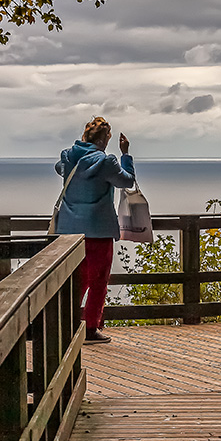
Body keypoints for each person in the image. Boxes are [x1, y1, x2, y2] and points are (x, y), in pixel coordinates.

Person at [54, 117, 135, 344]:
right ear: (103, 139)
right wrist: (126, 156)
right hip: (98, 230)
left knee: (76, 280)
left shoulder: (68, 156)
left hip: (69, 230)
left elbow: (59, 168)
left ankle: (67, 323)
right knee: (98, 280)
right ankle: (90, 328)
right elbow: (127, 181)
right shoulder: (105, 162)